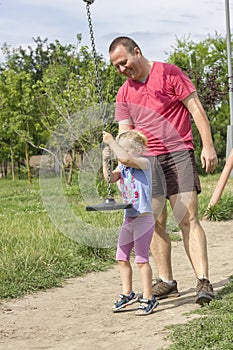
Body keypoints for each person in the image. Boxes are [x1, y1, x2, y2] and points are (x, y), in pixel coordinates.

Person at [108, 36, 218, 305]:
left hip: (178, 152)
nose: (122, 69)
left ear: (137, 51)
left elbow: (196, 109)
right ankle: (167, 281)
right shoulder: (123, 93)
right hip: (146, 162)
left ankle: (203, 280)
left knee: (187, 217)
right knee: (153, 222)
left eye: (124, 62)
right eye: (116, 67)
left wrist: (208, 145)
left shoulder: (169, 72)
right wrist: (119, 164)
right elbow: (124, 134)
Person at [102, 130, 159, 315]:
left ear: (137, 149)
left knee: (141, 260)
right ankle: (128, 293)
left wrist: (112, 142)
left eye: (123, 149)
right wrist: (105, 161)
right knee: (121, 256)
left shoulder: (144, 163)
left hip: (144, 218)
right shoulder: (122, 168)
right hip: (129, 219)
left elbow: (125, 159)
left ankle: (149, 298)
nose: (120, 154)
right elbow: (110, 178)